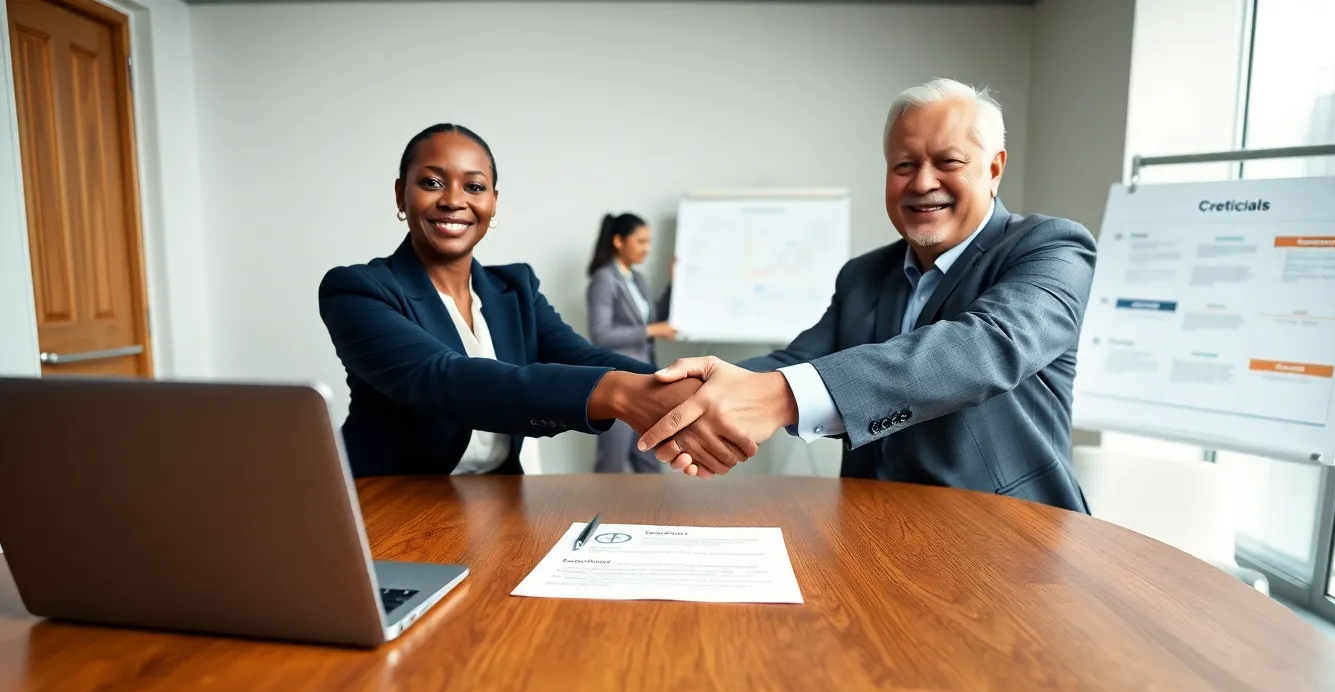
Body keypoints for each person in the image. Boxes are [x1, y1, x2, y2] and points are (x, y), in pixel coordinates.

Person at [640, 78, 1098, 513]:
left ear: (994, 168)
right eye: (904, 165)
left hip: (1012, 542)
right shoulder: (862, 275)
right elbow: (799, 360)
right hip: (872, 530)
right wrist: (696, 392)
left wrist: (777, 397)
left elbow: (985, 348)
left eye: (947, 162)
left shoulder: (1051, 247)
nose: (922, 183)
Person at [317, 123, 753, 478]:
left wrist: (692, 388)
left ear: (493, 202)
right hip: (387, 504)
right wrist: (618, 394)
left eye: (474, 186)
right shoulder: (357, 291)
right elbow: (445, 380)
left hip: (495, 501)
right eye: (431, 183)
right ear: (400, 195)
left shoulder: (515, 289)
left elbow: (583, 355)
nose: (453, 200)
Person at [584, 212, 677, 473]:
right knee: (611, 461)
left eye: (649, 242)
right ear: (618, 241)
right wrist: (651, 330)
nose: (646, 249)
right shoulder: (604, 279)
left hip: (645, 380)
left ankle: (649, 514)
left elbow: (654, 316)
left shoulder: (638, 279)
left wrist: (674, 283)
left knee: (649, 459)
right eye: (640, 241)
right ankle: (601, 514)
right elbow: (601, 334)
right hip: (618, 382)